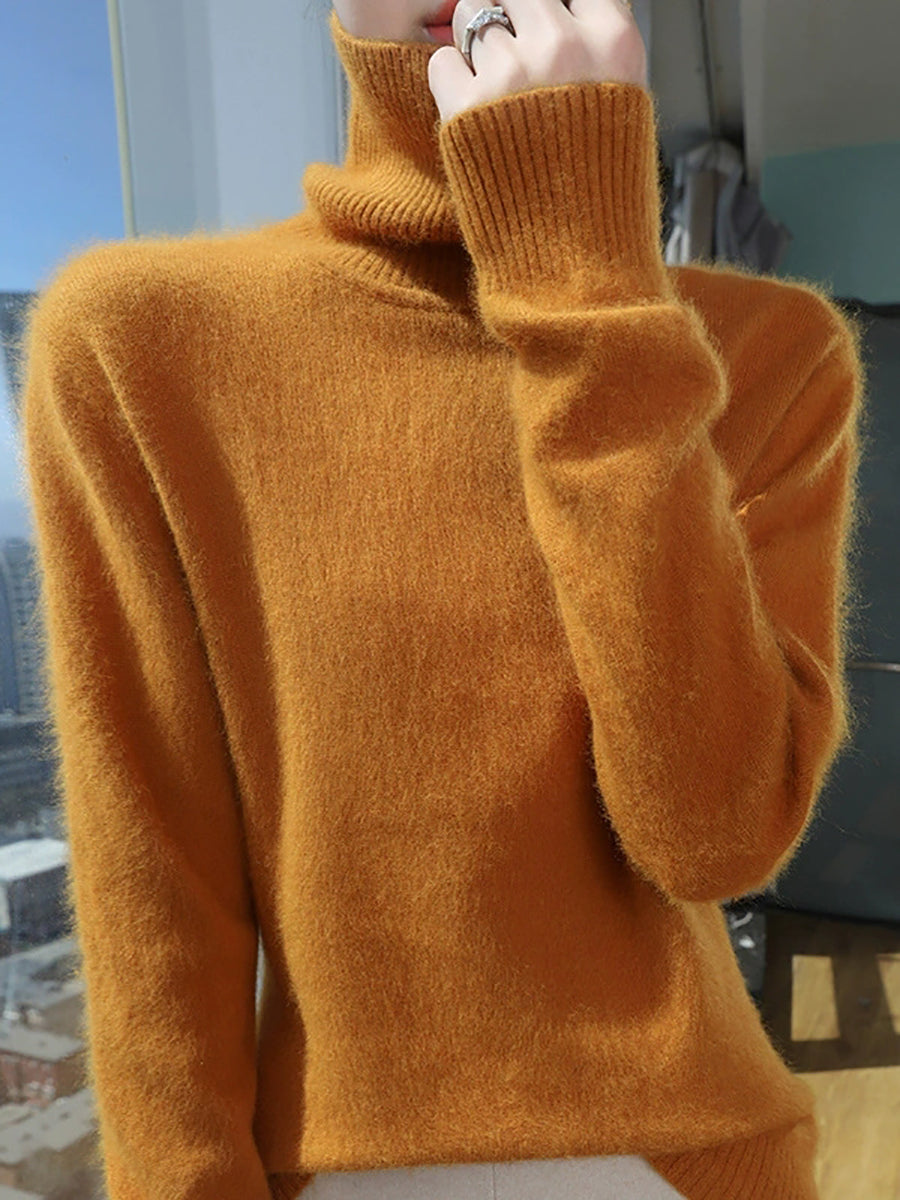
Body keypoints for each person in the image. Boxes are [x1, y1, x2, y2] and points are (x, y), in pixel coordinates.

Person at [17, 0, 867, 1198]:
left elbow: (714, 831)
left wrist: (585, 288)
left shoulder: (770, 351)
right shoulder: (136, 342)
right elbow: (151, 871)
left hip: (693, 1163)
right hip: (335, 1168)